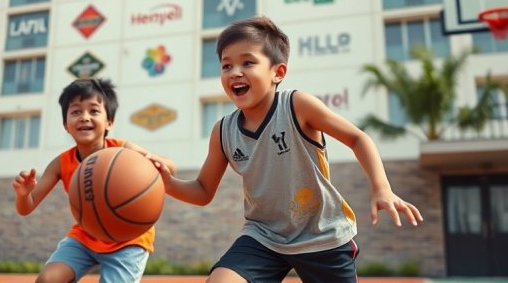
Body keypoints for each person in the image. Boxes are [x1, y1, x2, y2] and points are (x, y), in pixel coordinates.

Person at [157, 16, 423, 283]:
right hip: (264, 236)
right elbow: (203, 190)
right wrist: (167, 183)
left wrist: (382, 188)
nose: (235, 72)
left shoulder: (297, 106)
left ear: (278, 72)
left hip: (322, 236)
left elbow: (358, 139)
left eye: (247, 62)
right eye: (227, 66)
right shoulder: (223, 131)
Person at [12, 78, 174, 283]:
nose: (84, 117)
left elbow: (171, 166)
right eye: (76, 111)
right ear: (65, 124)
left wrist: (151, 163)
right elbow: (26, 207)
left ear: (109, 121)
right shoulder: (61, 163)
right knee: (47, 280)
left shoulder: (124, 151)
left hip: (128, 239)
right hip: (85, 235)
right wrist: (23, 194)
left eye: (94, 111)